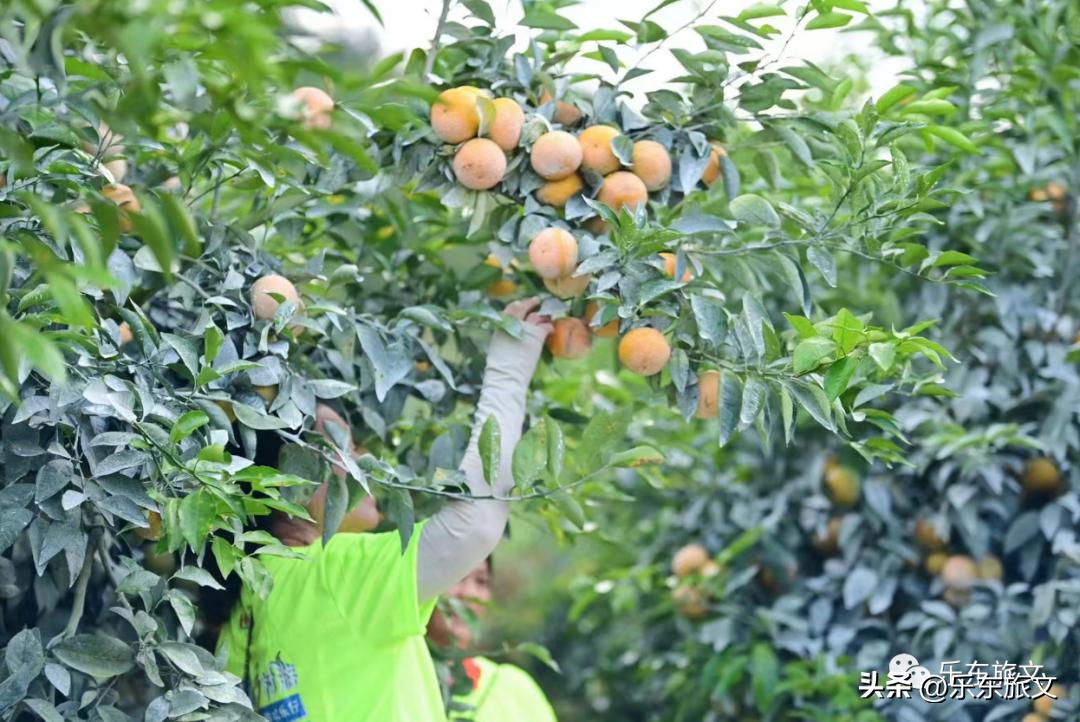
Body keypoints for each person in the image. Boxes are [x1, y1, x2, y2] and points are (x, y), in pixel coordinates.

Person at [216, 298, 552, 721]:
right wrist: (510, 365)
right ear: (288, 483)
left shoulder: (244, 612)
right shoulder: (331, 578)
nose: (364, 458)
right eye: (342, 447)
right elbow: (475, 524)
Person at [427, 560, 559, 722]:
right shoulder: (396, 673)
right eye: (457, 576)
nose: (470, 594)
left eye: (481, 581)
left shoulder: (513, 689)